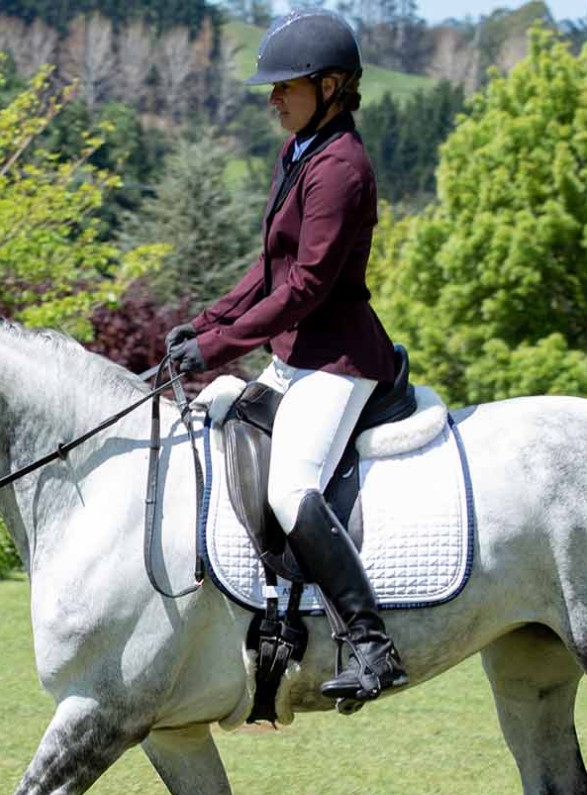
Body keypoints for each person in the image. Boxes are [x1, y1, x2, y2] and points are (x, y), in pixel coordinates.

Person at [166, 10, 408, 703]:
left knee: (288, 486)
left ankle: (371, 645)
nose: (273, 99)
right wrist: (207, 323)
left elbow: (305, 287)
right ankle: (267, 614)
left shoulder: (342, 169)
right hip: (295, 353)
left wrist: (220, 346)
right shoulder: (299, 151)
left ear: (332, 85)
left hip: (337, 360)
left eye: (287, 87)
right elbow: (269, 269)